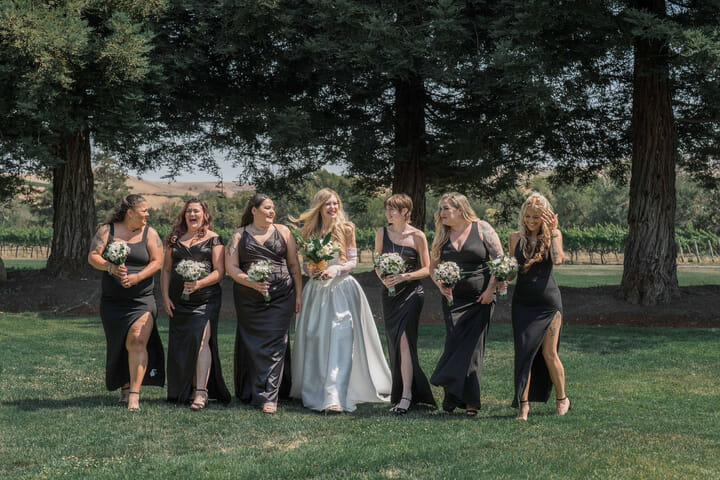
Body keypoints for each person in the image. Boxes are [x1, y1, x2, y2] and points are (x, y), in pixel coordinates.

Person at [290, 188, 391, 413]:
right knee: (316, 338)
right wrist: (312, 270)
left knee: (341, 339)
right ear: (320, 207)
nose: (333, 207)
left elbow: (352, 261)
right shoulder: (309, 231)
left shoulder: (347, 228)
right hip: (317, 291)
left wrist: (335, 269)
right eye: (328, 204)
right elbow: (305, 262)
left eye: (335, 203)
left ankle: (334, 396)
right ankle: (315, 389)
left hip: (342, 290)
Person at [225, 193, 302, 414]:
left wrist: (298, 295)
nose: (272, 211)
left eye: (273, 208)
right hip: (249, 299)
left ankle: (269, 396)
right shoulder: (239, 235)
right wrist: (250, 281)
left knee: (276, 342)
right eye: (267, 207)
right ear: (254, 210)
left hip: (282, 295)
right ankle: (252, 390)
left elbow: (294, 265)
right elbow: (231, 267)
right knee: (254, 344)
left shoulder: (284, 232)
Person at [429, 192, 504, 417]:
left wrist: (491, 290)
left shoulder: (482, 228)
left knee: (473, 350)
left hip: (481, 299)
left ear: (460, 210)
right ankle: (452, 396)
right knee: (453, 345)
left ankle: (471, 402)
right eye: (441, 209)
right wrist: (439, 285)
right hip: (452, 300)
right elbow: (432, 266)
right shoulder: (442, 234)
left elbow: (500, 261)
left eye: (446, 209)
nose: (441, 213)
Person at [88, 194, 165, 411]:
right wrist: (110, 267)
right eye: (144, 210)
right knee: (120, 344)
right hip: (113, 302)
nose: (147, 214)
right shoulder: (107, 231)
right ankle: (124, 386)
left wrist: (137, 277)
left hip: (142, 300)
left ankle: (134, 394)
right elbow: (93, 256)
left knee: (137, 340)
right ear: (130, 212)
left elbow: (157, 261)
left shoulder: (150, 233)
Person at [161, 199, 231, 410]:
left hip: (205, 299)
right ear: (184, 215)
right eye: (188, 211)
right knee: (184, 344)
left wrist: (199, 283)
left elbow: (220, 271)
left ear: (204, 215)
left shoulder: (214, 239)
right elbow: (166, 270)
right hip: (179, 301)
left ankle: (201, 391)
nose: (192, 214)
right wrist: (165, 297)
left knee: (201, 341)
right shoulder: (174, 239)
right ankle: (186, 388)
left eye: (196, 211)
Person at [508, 192, 570, 420]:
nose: (531, 221)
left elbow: (558, 259)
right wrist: (501, 276)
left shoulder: (554, 234)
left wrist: (553, 231)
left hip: (548, 304)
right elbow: (512, 270)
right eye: (528, 216)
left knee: (549, 353)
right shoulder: (515, 238)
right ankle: (523, 406)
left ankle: (562, 399)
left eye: (536, 217)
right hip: (522, 303)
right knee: (523, 354)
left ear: (545, 217)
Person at [374, 193, 436, 414]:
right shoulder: (382, 233)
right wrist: (384, 278)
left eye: (393, 209)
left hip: (411, 294)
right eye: (387, 209)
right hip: (389, 296)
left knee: (404, 341)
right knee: (394, 343)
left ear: (405, 212)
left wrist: (404, 277)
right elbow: (377, 263)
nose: (388, 213)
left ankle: (407, 395)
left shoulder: (418, 236)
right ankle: (404, 391)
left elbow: (427, 269)